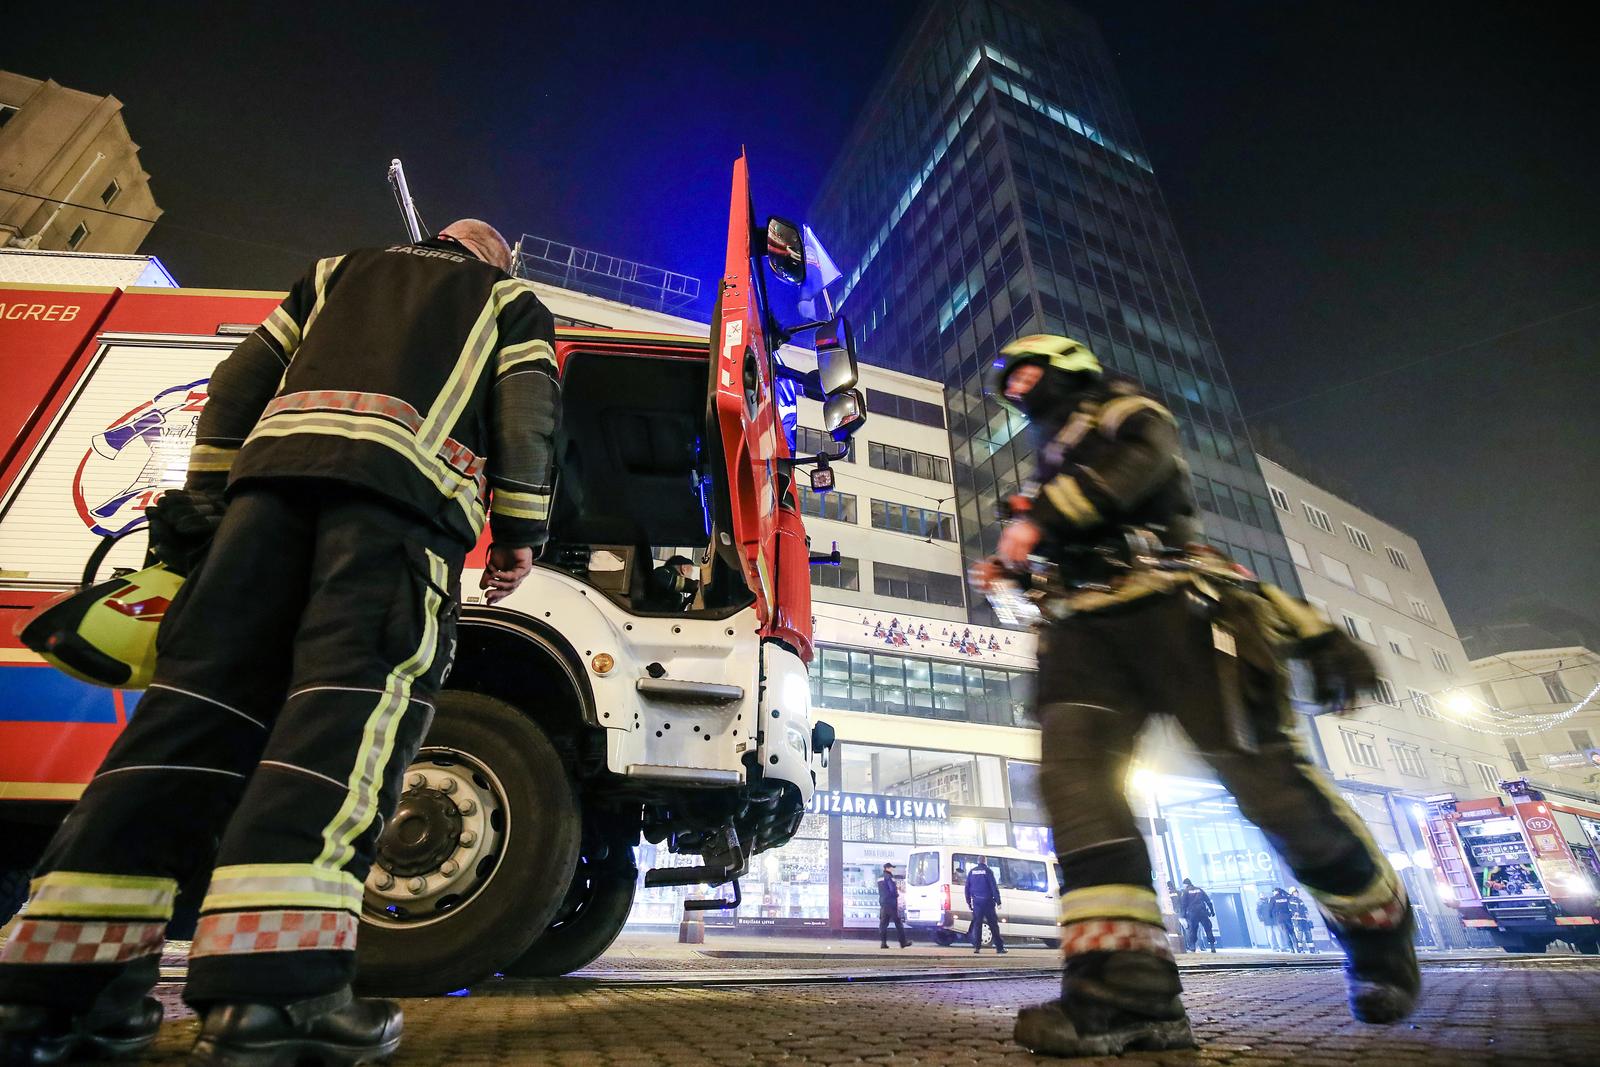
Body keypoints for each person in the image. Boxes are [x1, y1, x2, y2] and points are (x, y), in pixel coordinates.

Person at [0, 220, 558, 1065]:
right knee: (337, 726)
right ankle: (274, 997)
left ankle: (58, 990)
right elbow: (529, 413)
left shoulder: (333, 272)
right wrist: (519, 529)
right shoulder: (506, 298)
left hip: (259, 512)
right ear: (493, 257)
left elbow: (236, 382)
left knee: (188, 723)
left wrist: (209, 504)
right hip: (393, 520)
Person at [968, 335, 1419, 1057]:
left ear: (1068, 367)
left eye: (1029, 372)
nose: (1019, 387)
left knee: (1267, 788)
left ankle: (1378, 928)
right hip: (1083, 633)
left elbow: (1139, 464)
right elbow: (1054, 545)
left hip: (1181, 611)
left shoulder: (1123, 409)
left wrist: (1038, 521)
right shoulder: (1051, 463)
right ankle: (1127, 992)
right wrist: (1015, 575)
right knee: (1075, 788)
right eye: (1009, 382)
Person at [965, 858, 1007, 955]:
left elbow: (967, 888)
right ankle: (999, 948)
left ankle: (977, 947)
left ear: (978, 861)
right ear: (985, 861)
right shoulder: (988, 871)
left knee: (977, 925)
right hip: (988, 902)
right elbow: (993, 887)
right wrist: (998, 901)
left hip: (977, 902)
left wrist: (969, 902)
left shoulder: (972, 872)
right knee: (993, 925)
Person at [1178, 879, 1217, 953]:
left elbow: (1183, 904)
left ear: (1186, 884)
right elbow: (1208, 901)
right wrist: (1212, 911)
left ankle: (1193, 947)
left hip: (1193, 913)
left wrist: (1183, 915)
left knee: (1193, 930)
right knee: (1208, 928)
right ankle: (1212, 946)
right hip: (1202, 912)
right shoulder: (1199, 890)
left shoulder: (1185, 892)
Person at [879, 863, 911, 949]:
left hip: (883, 903)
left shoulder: (880, 877)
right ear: (887, 868)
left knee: (883, 924)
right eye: (891, 868)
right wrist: (896, 895)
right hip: (891, 903)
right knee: (898, 923)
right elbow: (892, 889)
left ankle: (883, 943)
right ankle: (903, 942)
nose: (892, 869)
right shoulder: (889, 877)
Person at [1268, 887, 1299, 953]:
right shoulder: (1285, 897)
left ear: (1276, 892)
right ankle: (1297, 948)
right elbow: (1290, 895)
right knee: (1292, 932)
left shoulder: (1273, 899)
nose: (1273, 893)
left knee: (1285, 933)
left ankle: (1291, 949)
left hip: (1280, 918)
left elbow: (1270, 909)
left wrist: (1271, 917)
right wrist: (1282, 891)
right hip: (1288, 917)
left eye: (1273, 891)